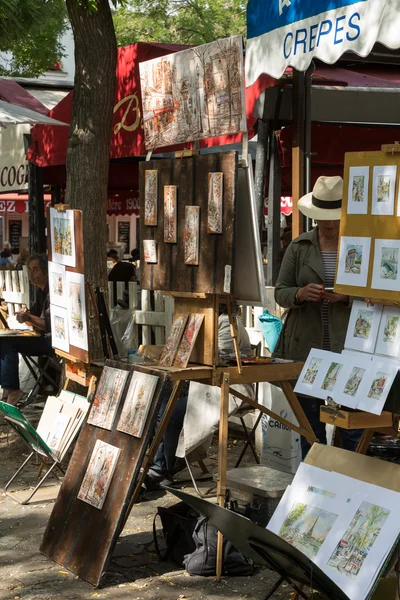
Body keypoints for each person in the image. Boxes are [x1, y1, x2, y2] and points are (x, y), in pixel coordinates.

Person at [274, 175, 361, 456]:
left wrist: (346, 297)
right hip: (307, 346)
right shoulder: (300, 247)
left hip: (347, 344)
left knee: (351, 423)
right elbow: (280, 291)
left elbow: (375, 295)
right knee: (310, 427)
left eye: (334, 217)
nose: (329, 223)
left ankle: (349, 480)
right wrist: (299, 295)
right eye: (324, 217)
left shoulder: (358, 246)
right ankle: (312, 481)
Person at [146, 304, 253, 488]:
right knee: (159, 401)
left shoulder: (227, 323)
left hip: (229, 389)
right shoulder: (210, 321)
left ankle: (164, 467)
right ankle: (159, 465)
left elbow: (218, 359)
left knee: (171, 412)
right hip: (205, 386)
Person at [1, 254, 52, 405]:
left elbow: (48, 325)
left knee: (8, 344)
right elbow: (35, 320)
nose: (32, 274)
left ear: (45, 271)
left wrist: (28, 318)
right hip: (41, 338)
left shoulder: (52, 293)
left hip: (53, 342)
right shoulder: (41, 292)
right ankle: (8, 391)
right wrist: (26, 315)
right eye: (30, 270)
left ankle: (12, 391)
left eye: (35, 270)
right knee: (4, 340)